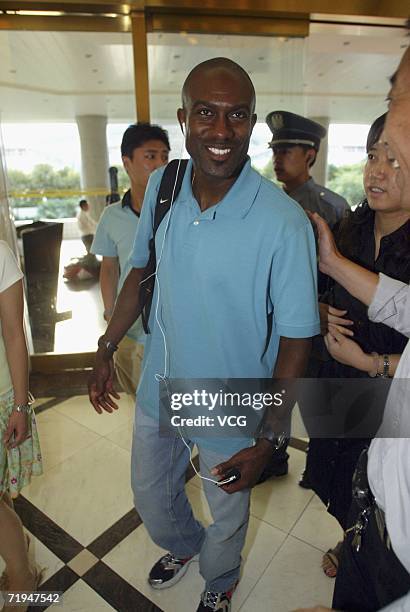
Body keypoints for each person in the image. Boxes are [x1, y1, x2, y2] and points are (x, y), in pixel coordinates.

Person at [89, 57, 320, 612]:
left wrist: (270, 439)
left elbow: (296, 340)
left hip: (227, 398)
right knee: (151, 495)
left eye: (236, 116)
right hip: (158, 383)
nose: (221, 131)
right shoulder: (165, 186)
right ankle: (186, 546)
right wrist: (105, 344)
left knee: (228, 509)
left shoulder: (282, 223)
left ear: (252, 122)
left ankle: (220, 580)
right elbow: (138, 269)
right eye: (206, 114)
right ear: (183, 118)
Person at [293, 43, 410, 612]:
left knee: (383, 485)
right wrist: (318, 313)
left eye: (393, 159)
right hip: (336, 383)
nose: (377, 170)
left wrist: (374, 365)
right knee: (336, 473)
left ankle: (366, 544)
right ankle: (353, 532)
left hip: (391, 397)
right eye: (372, 155)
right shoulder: (346, 226)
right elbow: (312, 290)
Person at [91, 123, 170, 396]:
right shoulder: (112, 216)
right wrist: (111, 315)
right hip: (130, 331)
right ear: (127, 163)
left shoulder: (182, 211)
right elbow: (109, 268)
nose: (160, 164)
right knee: (144, 410)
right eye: (150, 156)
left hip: (174, 332)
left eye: (164, 155)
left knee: (181, 417)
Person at [0, 241, 43, 606]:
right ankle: (20, 551)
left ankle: (21, 580)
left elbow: (15, 335)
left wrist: (19, 406)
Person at [266, 111, 349, 226]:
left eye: (285, 152)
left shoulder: (333, 208)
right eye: (275, 151)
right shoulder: (267, 201)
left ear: (309, 156)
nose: (277, 159)